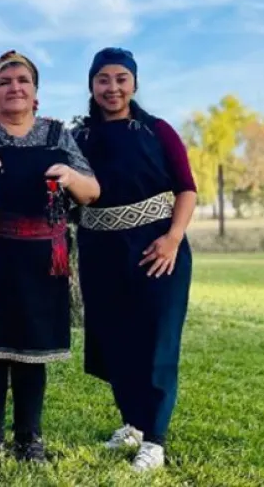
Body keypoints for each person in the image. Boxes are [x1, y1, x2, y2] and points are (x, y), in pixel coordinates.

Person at [0, 50, 100, 465]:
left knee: (33, 352)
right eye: (4, 82)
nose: (14, 87)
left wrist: (70, 177)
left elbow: (92, 191)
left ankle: (30, 439)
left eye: (22, 80)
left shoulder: (57, 135)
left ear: (35, 92)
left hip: (43, 259)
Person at [72, 48, 196, 472]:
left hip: (156, 248)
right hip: (99, 250)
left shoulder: (157, 131)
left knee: (156, 340)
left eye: (121, 78)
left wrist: (173, 239)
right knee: (115, 341)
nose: (112, 87)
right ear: (92, 85)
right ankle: (133, 423)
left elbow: (186, 188)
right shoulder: (79, 138)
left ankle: (155, 441)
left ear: (135, 84)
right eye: (103, 79)